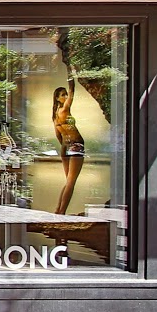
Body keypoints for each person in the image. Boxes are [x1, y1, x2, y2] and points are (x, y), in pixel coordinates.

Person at [52, 75, 86, 215]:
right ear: (57, 98)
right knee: (71, 182)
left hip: (65, 147)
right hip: (76, 145)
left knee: (68, 182)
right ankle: (62, 212)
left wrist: (65, 146)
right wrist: (70, 74)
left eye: (65, 94)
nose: (66, 96)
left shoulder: (55, 115)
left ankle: (58, 210)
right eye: (63, 95)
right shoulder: (65, 109)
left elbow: (58, 135)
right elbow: (72, 90)